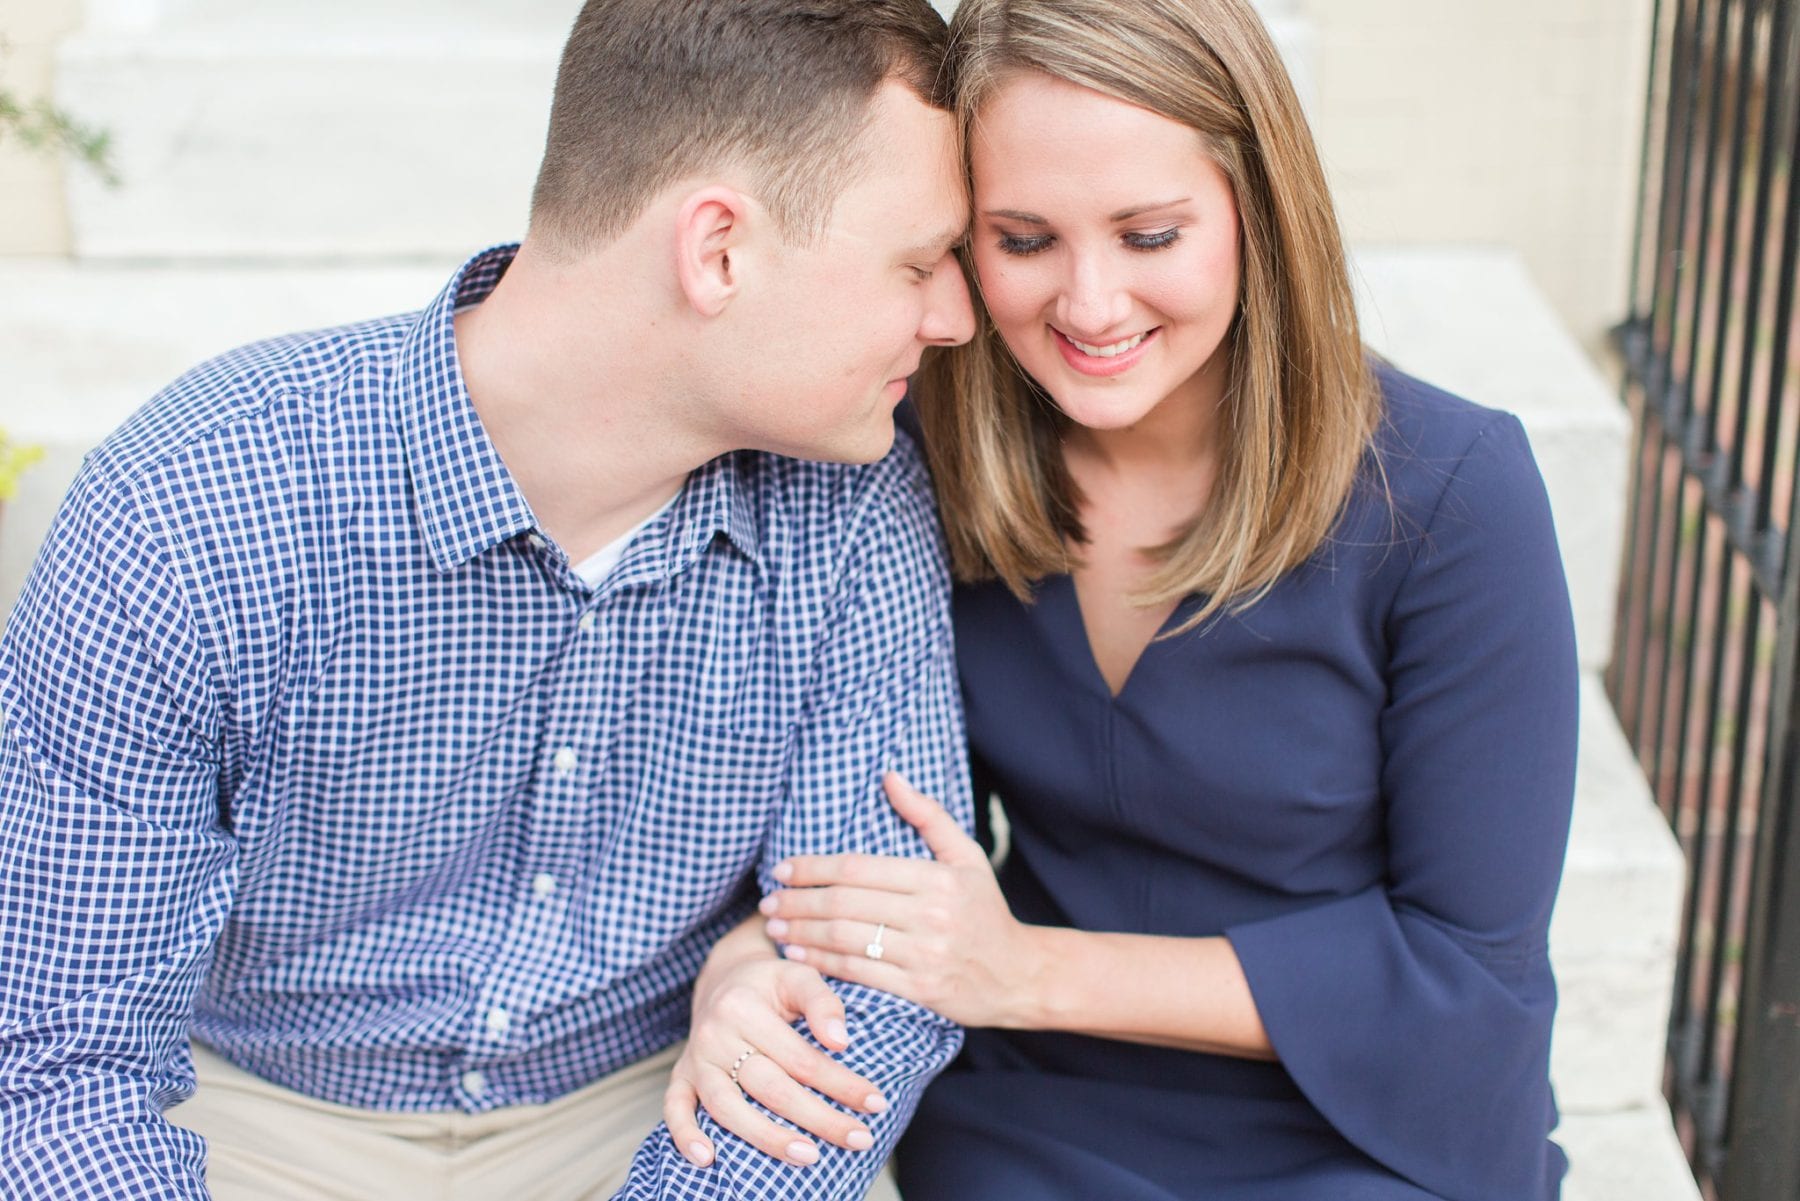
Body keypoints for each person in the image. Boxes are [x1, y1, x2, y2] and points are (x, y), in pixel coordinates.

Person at [0, 1, 980, 1198]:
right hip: (251, 1114)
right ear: (717, 249)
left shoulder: (853, 499)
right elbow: (59, 1058)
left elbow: (873, 972)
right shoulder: (197, 503)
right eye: (920, 263)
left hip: (657, 1106)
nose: (955, 319)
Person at [669, 0, 1580, 1197]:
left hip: (1366, 1126)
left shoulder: (1454, 496)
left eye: (1150, 234)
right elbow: (833, 802)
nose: (1090, 306)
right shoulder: (913, 457)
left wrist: (1023, 971)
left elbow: (1471, 980)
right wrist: (741, 961)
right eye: (1024, 239)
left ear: (1260, 211)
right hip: (1033, 1121)